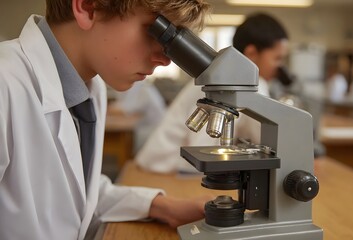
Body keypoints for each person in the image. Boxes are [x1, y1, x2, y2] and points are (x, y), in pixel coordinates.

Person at [0, 0, 212, 239]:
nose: (165, 59)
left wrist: (161, 206)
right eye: (156, 31)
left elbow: (73, 195)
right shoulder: (5, 83)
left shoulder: (91, 87)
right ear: (88, 8)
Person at [135, 13, 289, 173]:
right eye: (277, 58)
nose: (280, 67)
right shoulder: (226, 81)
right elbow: (202, 151)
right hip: (162, 171)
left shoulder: (231, 78)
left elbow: (260, 137)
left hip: (168, 169)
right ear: (252, 53)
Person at [108, 79, 167, 153]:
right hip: (149, 128)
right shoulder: (142, 88)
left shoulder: (144, 91)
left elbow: (125, 110)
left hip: (151, 132)